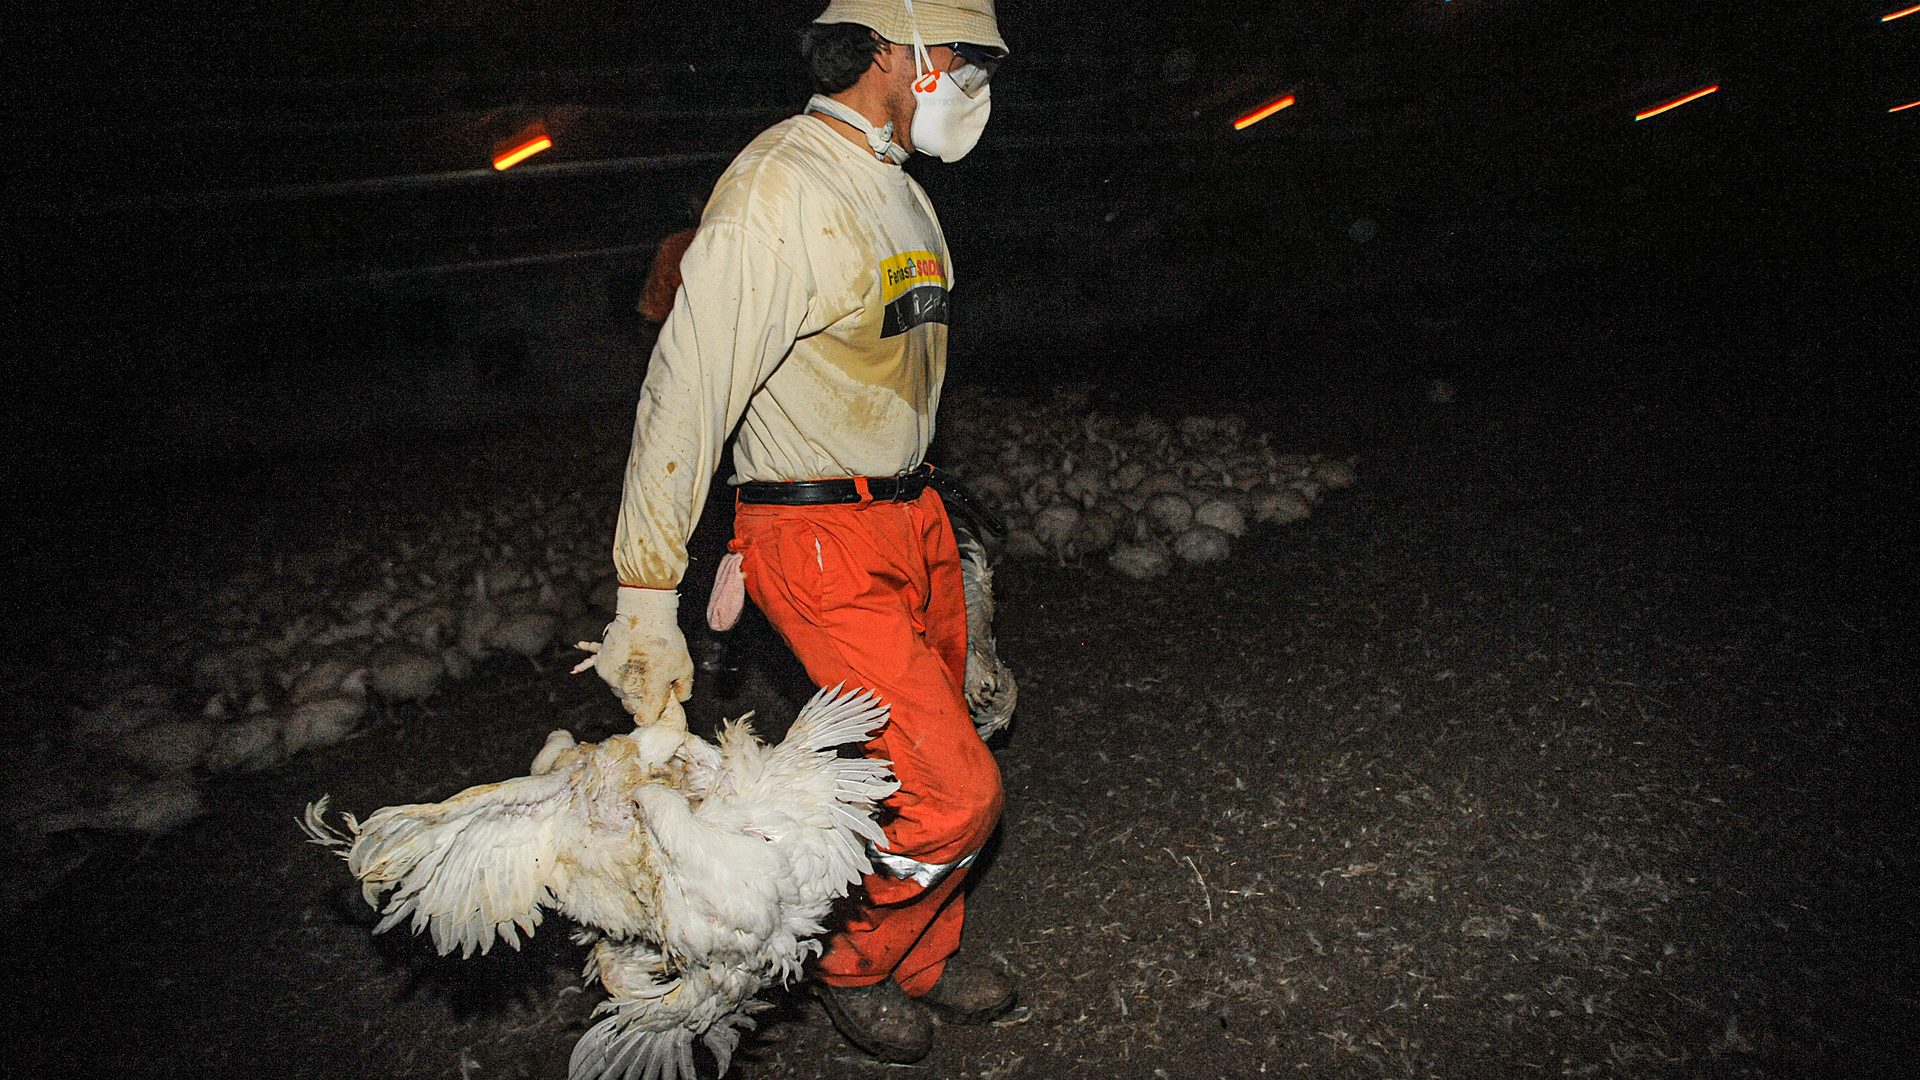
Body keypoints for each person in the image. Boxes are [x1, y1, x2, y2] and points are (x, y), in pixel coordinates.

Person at [576, 0, 1013, 1064]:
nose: (975, 79)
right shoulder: (780, 188)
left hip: (908, 515)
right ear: (898, 51)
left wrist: (949, 534)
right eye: (964, 56)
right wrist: (645, 592)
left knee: (926, 762)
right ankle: (852, 962)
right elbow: (686, 391)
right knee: (957, 790)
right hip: (815, 534)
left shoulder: (897, 186)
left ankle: (923, 954)